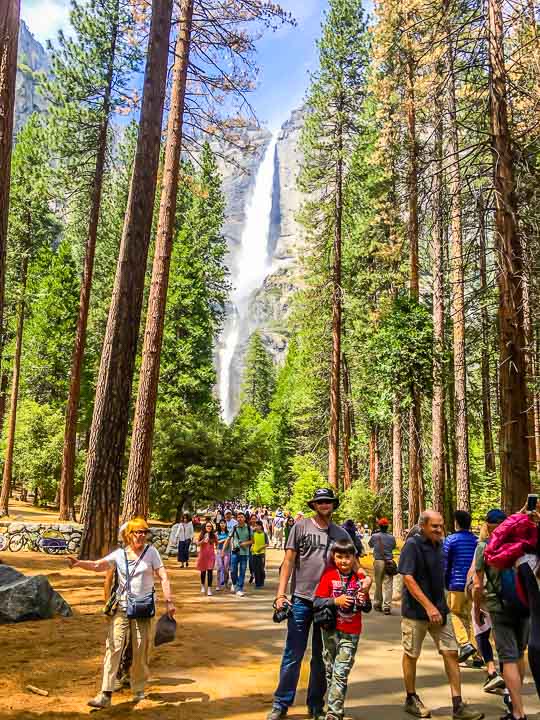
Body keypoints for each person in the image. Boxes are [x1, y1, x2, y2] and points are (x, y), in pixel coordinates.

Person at [267, 488, 371, 720]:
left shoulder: (341, 533)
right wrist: (281, 594)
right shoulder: (300, 527)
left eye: (328, 502)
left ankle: (315, 704)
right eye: (320, 502)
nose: (324, 505)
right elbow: (288, 561)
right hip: (302, 600)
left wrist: (366, 578)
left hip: (328, 604)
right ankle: (281, 704)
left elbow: (354, 563)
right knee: (293, 653)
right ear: (314, 505)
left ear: (333, 505)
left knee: (321, 657)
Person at [68, 518, 175, 709]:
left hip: (143, 609)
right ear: (129, 535)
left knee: (141, 649)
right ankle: (106, 693)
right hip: (122, 609)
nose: (141, 535)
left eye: (144, 532)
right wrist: (78, 563)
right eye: (137, 532)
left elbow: (163, 576)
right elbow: (97, 566)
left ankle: (139, 688)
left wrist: (169, 601)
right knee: (114, 647)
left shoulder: (152, 553)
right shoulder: (119, 555)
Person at [398, 510, 483, 720]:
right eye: (434, 526)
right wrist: (428, 606)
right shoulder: (412, 545)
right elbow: (408, 578)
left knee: (451, 652)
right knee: (412, 654)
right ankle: (411, 698)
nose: (439, 529)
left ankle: (458, 704)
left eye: (441, 525)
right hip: (416, 612)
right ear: (423, 526)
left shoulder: (440, 545)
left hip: (440, 610)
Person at [474, 509, 529, 720]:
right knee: (519, 653)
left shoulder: (484, 547)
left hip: (499, 608)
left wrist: (479, 608)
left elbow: (477, 585)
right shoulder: (523, 544)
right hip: (525, 608)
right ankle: (516, 700)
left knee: (508, 658)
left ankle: (517, 711)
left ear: (487, 525)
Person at [314, 538, 369, 720]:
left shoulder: (360, 579)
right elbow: (317, 601)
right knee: (330, 670)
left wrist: (364, 599)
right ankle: (334, 705)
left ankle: (333, 713)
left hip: (351, 631)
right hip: (330, 629)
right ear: (333, 557)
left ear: (354, 558)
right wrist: (335, 601)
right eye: (339, 557)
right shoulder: (329, 576)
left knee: (341, 671)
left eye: (348, 557)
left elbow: (367, 607)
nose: (344, 561)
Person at [443, 510, 479, 664]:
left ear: (456, 522)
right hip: (474, 585)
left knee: (453, 613)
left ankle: (464, 643)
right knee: (473, 618)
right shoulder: (476, 540)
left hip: (456, 584)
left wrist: (444, 582)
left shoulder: (451, 540)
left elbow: (445, 563)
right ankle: (479, 655)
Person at [369, 517, 396, 615]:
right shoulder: (392, 537)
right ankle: (387, 606)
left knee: (378, 584)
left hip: (378, 562)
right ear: (387, 527)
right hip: (389, 562)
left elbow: (370, 545)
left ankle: (377, 604)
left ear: (379, 526)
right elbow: (393, 547)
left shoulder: (375, 536)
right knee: (388, 585)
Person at [225, 511, 253, 597]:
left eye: (242, 517)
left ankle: (239, 588)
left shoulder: (249, 528)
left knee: (242, 571)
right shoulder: (234, 528)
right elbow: (228, 539)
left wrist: (245, 544)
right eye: (238, 517)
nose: (240, 519)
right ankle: (235, 583)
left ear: (245, 518)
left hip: (244, 553)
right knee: (233, 570)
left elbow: (252, 540)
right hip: (234, 552)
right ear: (236, 519)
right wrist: (223, 550)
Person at [196, 521, 218, 596]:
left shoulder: (214, 535)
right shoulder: (201, 534)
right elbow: (197, 544)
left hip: (211, 556)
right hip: (203, 556)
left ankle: (209, 588)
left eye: (210, 526)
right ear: (205, 527)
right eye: (207, 526)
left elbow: (217, 544)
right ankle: (202, 585)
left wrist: (218, 551)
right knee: (203, 572)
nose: (209, 527)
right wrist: (203, 540)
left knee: (210, 571)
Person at [252, 519, 268, 588]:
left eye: (257, 526)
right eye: (255, 526)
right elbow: (252, 542)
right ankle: (257, 583)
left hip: (261, 554)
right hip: (254, 553)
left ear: (260, 526)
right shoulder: (253, 533)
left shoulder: (264, 534)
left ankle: (261, 581)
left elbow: (267, 544)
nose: (255, 527)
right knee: (255, 569)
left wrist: (260, 548)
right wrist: (252, 548)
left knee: (261, 568)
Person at [216, 519, 231, 591]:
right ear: (219, 524)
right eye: (221, 523)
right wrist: (225, 540)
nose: (222, 524)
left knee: (226, 568)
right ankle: (218, 584)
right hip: (219, 551)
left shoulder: (228, 533)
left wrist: (226, 540)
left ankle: (226, 583)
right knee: (219, 568)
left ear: (226, 524)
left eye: (224, 523)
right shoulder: (216, 533)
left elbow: (229, 541)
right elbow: (216, 542)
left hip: (227, 552)